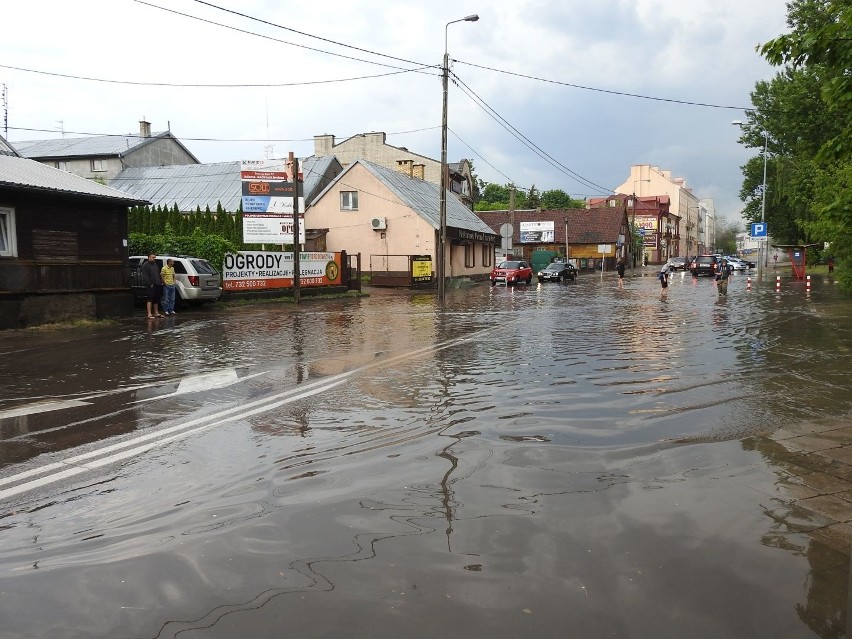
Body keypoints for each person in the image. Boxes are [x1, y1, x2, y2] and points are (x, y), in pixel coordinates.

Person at [141, 253, 164, 319]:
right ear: (149, 257)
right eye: (153, 257)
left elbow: (158, 273)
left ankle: (156, 312)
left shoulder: (155, 264)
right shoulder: (145, 265)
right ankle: (149, 313)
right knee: (150, 299)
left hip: (157, 284)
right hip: (151, 284)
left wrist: (160, 281)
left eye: (155, 257)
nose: (154, 259)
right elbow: (145, 276)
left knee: (156, 299)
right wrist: (149, 283)